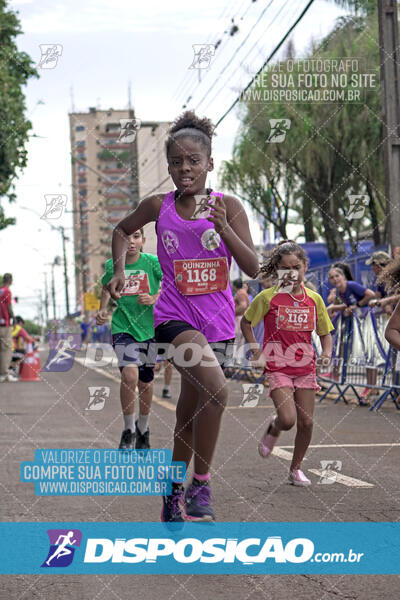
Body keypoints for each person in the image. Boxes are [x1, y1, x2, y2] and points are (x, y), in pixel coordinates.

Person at [107, 110, 259, 523]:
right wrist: (120, 270)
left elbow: (253, 267)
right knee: (217, 390)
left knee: (189, 416)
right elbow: (122, 230)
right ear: (169, 167)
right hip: (174, 321)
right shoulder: (160, 206)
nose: (184, 169)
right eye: (176, 162)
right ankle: (202, 485)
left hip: (220, 326)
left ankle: (173, 490)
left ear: (210, 163)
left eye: (193, 161)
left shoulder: (229, 206)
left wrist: (225, 228)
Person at [241, 241, 333, 486]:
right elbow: (246, 323)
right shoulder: (267, 297)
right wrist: (255, 351)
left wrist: (326, 352)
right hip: (278, 366)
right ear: (277, 271)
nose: (291, 273)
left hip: (305, 368)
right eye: (285, 268)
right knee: (289, 419)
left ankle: (296, 469)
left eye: (296, 267)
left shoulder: (314, 299)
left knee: (307, 422)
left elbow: (325, 332)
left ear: (306, 266)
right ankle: (275, 427)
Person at [97, 229, 162, 450]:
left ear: (143, 241)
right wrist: (102, 309)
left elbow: (170, 285)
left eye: (136, 237)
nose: (131, 242)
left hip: (149, 330)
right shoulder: (113, 266)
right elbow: (107, 286)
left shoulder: (153, 263)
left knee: (146, 382)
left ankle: (143, 428)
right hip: (122, 326)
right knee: (130, 374)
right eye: (126, 238)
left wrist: (154, 297)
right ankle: (128, 430)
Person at [0, 273, 17, 383]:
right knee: (6, 349)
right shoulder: (7, 291)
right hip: (4, 324)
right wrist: (13, 318)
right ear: (10, 281)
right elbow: (8, 306)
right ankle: (4, 374)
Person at [233, 278, 251, 365]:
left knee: (237, 338)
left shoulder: (240, 293)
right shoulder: (243, 293)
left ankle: (236, 358)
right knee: (240, 339)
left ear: (235, 286)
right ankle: (238, 359)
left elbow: (243, 305)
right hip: (243, 317)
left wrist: (233, 312)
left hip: (240, 317)